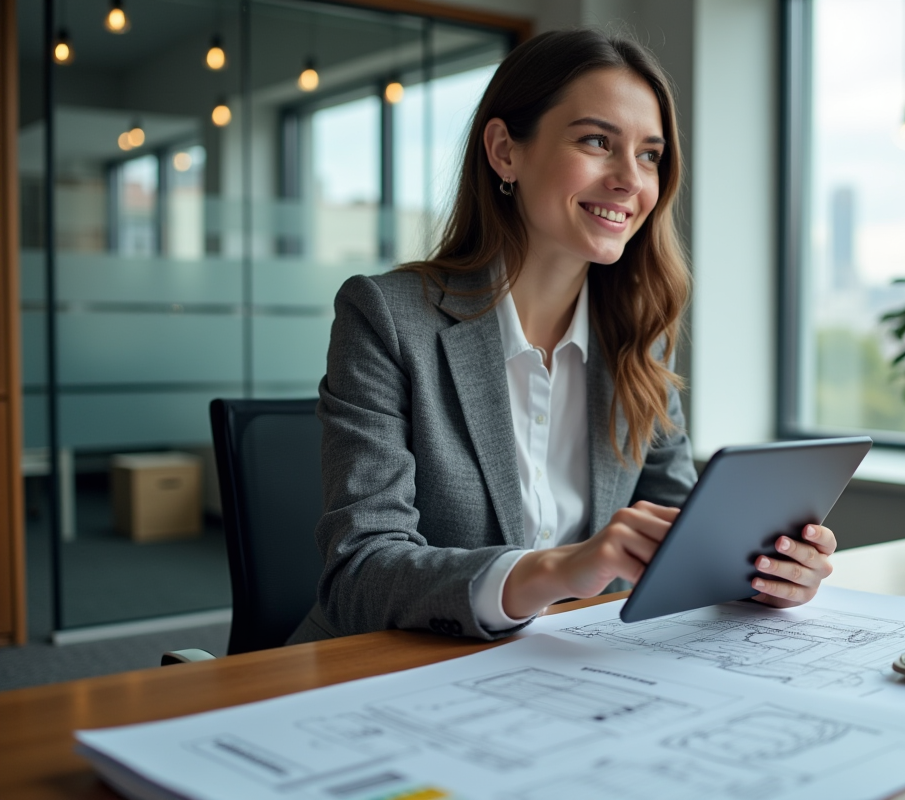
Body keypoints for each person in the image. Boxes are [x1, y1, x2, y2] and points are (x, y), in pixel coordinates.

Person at [288, 29, 836, 644]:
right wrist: (560, 569)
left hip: (564, 674)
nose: (631, 180)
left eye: (650, 155)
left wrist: (766, 569)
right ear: (505, 152)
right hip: (386, 673)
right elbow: (360, 573)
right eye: (597, 141)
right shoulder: (387, 318)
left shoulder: (638, 335)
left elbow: (681, 534)